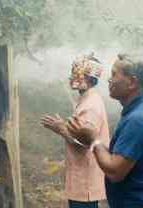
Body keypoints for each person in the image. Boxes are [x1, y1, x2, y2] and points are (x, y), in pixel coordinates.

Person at [66, 54, 143, 208]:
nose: (109, 80)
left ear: (132, 82)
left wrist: (93, 140)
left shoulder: (139, 119)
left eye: (114, 74)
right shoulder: (137, 112)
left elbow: (115, 172)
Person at [40, 53, 110, 208]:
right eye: (72, 73)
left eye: (78, 74)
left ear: (91, 79)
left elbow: (86, 144)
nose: (72, 77)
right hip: (83, 179)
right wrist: (63, 128)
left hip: (85, 183)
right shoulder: (87, 99)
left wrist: (61, 130)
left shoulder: (90, 106)